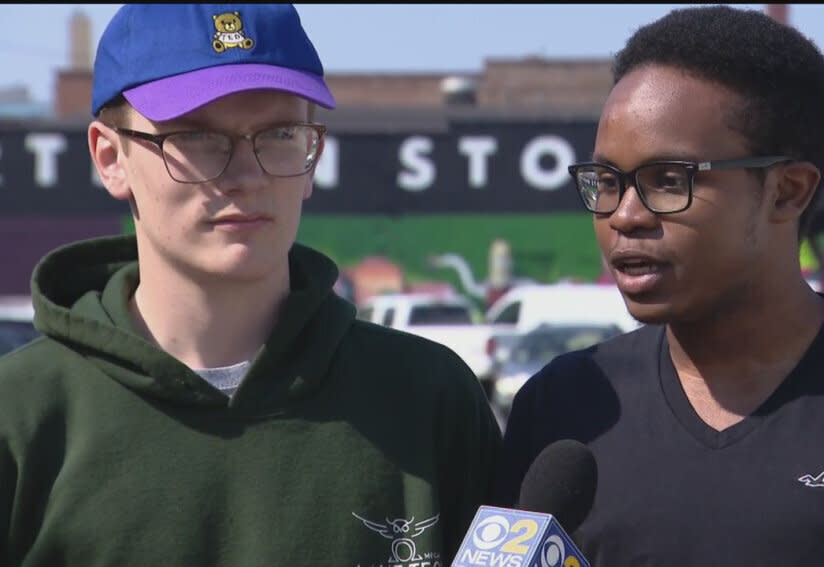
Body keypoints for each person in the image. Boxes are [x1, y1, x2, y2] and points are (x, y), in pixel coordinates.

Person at [491, 6, 824, 566]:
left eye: (669, 180)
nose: (625, 215)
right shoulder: (563, 407)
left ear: (787, 191)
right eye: (607, 182)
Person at [0, 5, 500, 566]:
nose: (247, 175)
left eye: (280, 133)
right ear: (110, 157)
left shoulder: (429, 398)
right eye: (196, 137)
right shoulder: (20, 413)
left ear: (314, 157)